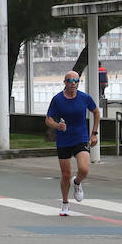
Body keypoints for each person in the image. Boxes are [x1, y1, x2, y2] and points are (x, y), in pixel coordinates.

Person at [45, 71, 100, 216]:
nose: (73, 83)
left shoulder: (84, 97)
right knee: (65, 174)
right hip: (63, 139)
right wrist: (57, 126)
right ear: (65, 82)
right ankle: (65, 203)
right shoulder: (57, 99)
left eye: (76, 80)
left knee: (84, 169)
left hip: (81, 137)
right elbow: (48, 119)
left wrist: (94, 133)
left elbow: (96, 112)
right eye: (70, 80)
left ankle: (77, 183)